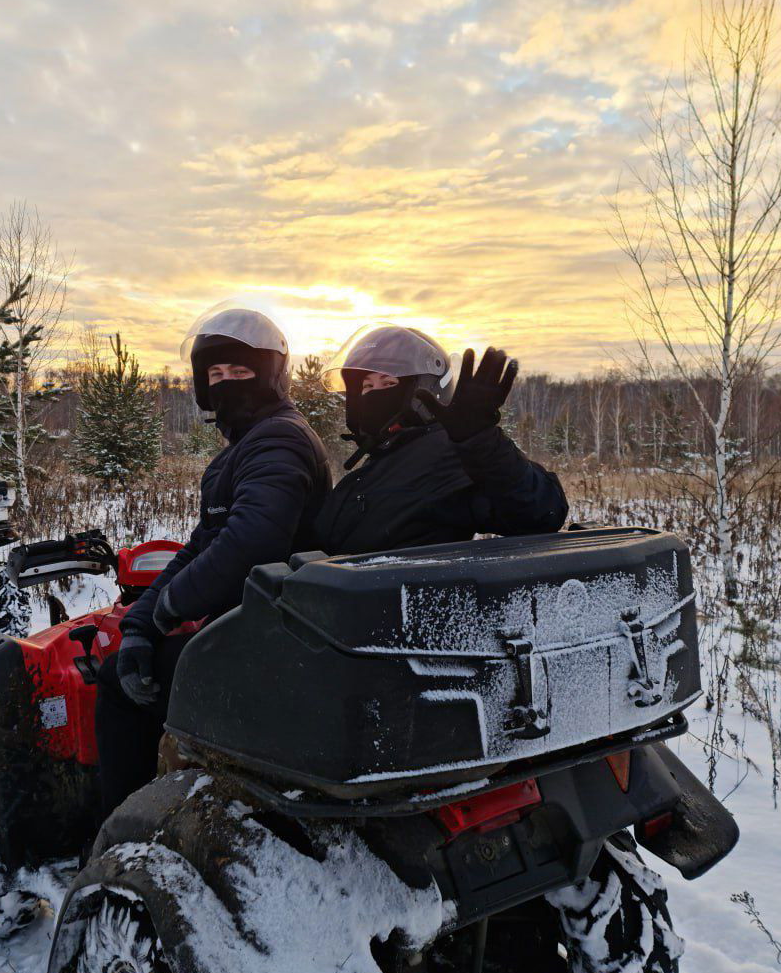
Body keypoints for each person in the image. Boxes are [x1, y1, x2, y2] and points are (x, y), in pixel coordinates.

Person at [96, 305, 331, 817]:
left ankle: (119, 831)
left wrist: (168, 611)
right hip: (252, 623)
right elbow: (204, 543)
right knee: (131, 660)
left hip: (278, 637)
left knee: (116, 685)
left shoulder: (279, 438)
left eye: (240, 372)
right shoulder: (248, 445)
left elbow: (253, 539)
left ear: (269, 375)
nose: (226, 384)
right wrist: (142, 621)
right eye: (215, 374)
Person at [313, 325, 567, 555]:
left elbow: (543, 512)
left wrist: (481, 441)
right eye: (366, 387)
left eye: (387, 382)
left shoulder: (447, 455)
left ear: (422, 392)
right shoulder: (383, 458)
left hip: (399, 601)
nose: (373, 395)